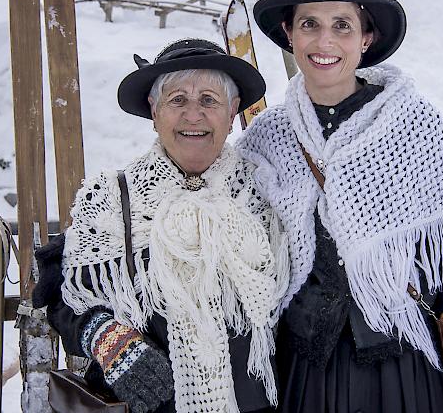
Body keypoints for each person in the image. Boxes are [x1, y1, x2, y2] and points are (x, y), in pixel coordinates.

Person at [237, 0, 443, 413]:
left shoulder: (413, 125)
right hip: (306, 372)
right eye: (309, 24)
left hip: (401, 368)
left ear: (367, 37)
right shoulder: (267, 138)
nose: (325, 41)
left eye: (342, 24)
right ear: (289, 33)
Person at [33, 39, 289, 413]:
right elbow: (60, 295)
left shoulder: (268, 194)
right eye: (177, 100)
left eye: (208, 100)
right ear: (155, 112)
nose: (193, 115)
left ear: (232, 111)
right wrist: (107, 339)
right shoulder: (111, 198)